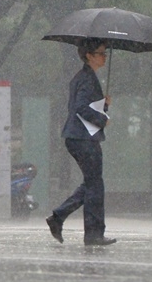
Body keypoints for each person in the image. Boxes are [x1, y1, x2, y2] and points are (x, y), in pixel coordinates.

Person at [46, 38, 117, 246]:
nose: (104, 57)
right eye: (101, 53)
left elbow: (85, 105)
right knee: (95, 185)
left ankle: (59, 217)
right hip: (82, 138)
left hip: (78, 137)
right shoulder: (86, 78)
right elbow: (80, 108)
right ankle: (93, 233)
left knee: (92, 183)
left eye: (105, 53)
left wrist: (103, 105)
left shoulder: (85, 77)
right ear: (89, 56)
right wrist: (102, 119)